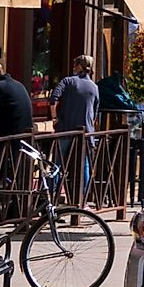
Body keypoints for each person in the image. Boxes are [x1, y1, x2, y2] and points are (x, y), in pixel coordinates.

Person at [52, 57, 101, 203]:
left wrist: (55, 118)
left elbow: (54, 99)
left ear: (79, 66)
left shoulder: (68, 81)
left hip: (66, 128)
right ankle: (81, 200)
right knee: (84, 165)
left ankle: (53, 198)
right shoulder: (94, 87)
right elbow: (94, 113)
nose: (73, 66)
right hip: (85, 132)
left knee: (56, 164)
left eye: (75, 64)